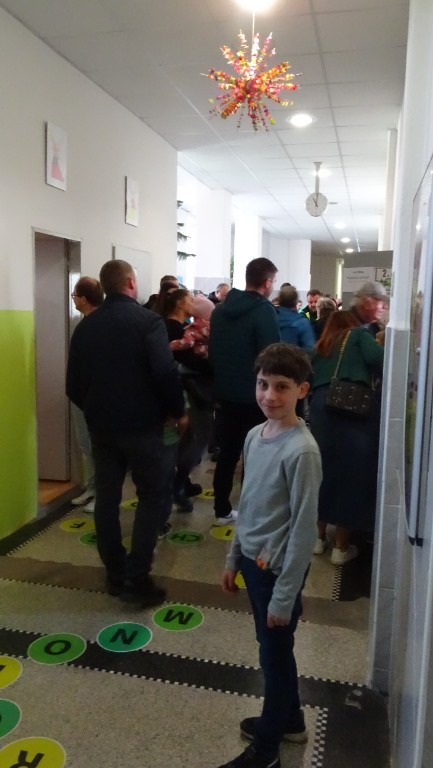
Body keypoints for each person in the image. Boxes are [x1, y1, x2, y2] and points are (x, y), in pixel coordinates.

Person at [217, 343, 322, 768]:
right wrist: (233, 558)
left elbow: (303, 529)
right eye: (263, 384)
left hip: (278, 572)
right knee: (274, 651)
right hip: (253, 563)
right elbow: (248, 503)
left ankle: (265, 751)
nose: (269, 395)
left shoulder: (302, 451)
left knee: (273, 659)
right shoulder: (254, 435)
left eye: (281, 387)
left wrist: (284, 595)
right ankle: (290, 720)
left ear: (302, 390)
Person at [66, 259, 185, 604]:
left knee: (107, 498)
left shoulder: (86, 327)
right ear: (131, 283)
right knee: (151, 497)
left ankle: (115, 572)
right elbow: (164, 373)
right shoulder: (148, 323)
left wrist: (95, 410)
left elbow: (73, 385)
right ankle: (137, 577)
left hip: (102, 429)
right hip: (143, 427)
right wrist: (176, 412)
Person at [309, 310, 384, 565]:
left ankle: (317, 538)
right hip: (354, 405)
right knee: (353, 474)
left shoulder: (321, 346)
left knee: (324, 469)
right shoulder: (359, 335)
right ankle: (340, 547)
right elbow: (380, 360)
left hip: (321, 406)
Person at [209, 257, 280, 525]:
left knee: (227, 453)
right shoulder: (263, 311)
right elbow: (272, 355)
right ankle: (250, 512)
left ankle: (221, 509)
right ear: (267, 282)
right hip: (254, 397)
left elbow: (214, 352)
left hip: (224, 394)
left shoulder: (220, 311)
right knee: (255, 455)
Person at [162, 288, 213, 512]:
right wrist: (213, 366)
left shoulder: (181, 327)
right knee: (199, 437)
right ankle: (178, 483)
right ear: (180, 304)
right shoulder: (174, 329)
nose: (194, 303)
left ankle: (182, 482)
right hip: (188, 389)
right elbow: (189, 360)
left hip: (183, 389)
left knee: (187, 438)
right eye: (190, 300)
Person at [70, 277, 104, 511]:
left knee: (98, 447)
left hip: (94, 397)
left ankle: (101, 494)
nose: (73, 299)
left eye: (74, 295)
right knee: (86, 445)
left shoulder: (99, 324)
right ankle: (91, 488)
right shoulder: (85, 323)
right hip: (81, 395)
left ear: (83, 299)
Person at [276, 287, 315, 351]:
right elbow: (310, 349)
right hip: (294, 356)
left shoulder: (271, 319)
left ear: (279, 300)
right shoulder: (302, 323)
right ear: (296, 301)